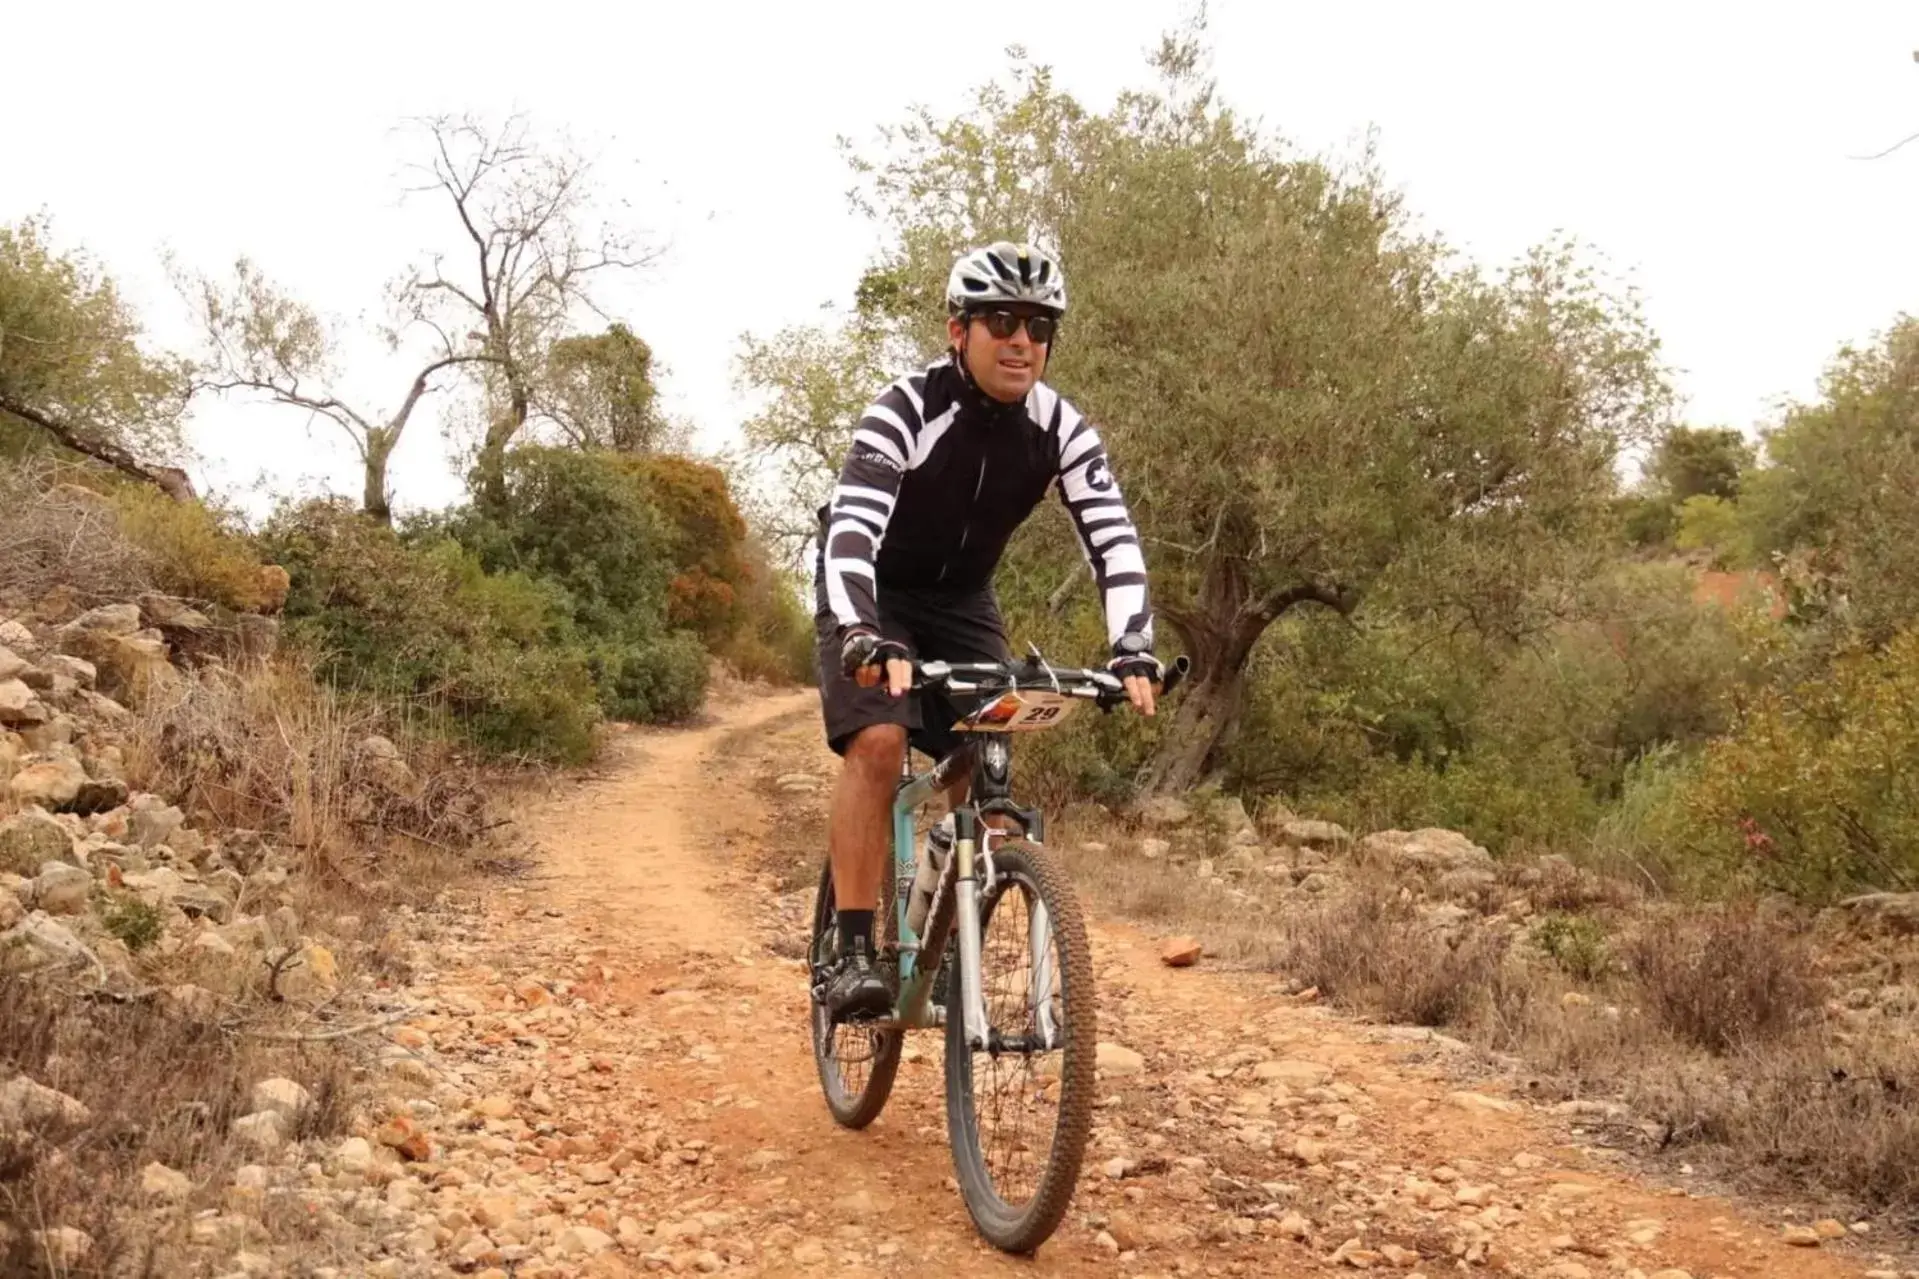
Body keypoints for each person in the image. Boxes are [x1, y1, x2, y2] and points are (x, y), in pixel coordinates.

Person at [812, 240, 1163, 1020]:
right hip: (872, 593)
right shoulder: (903, 409)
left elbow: (1113, 538)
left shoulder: (1061, 427)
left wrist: (1131, 643)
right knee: (876, 742)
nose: (1021, 341)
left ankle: (947, 935)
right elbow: (851, 536)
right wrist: (863, 633)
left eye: (1039, 327)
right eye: (1000, 320)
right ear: (956, 329)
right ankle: (855, 950)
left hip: (963, 602)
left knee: (989, 772)